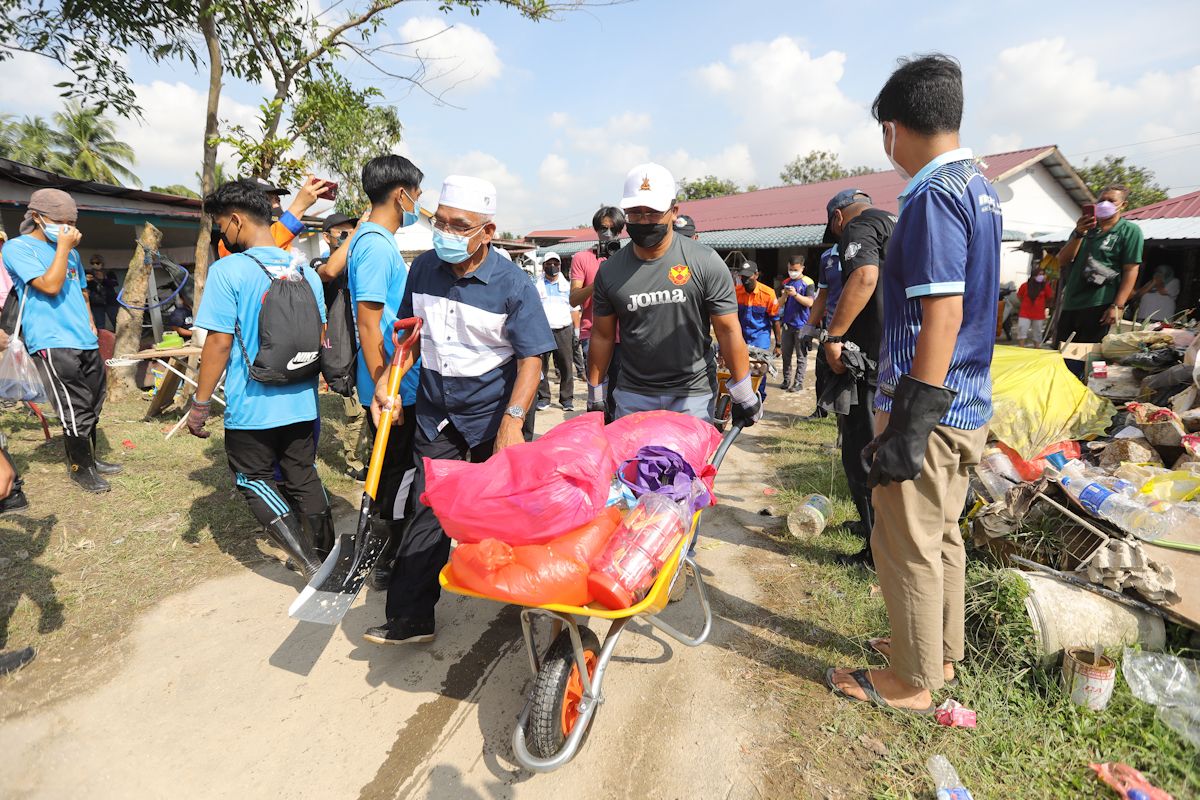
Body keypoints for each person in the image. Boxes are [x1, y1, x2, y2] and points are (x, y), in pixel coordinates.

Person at [827, 54, 1001, 714]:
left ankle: (911, 678)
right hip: (968, 399)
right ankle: (940, 654)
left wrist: (908, 423)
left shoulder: (930, 196)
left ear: (893, 129)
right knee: (943, 535)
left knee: (905, 544)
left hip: (928, 403)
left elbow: (944, 312)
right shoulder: (979, 188)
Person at [364, 175, 554, 645]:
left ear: (487, 231)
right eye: (441, 222)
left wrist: (513, 423)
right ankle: (410, 619)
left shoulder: (513, 284)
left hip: (496, 412)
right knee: (428, 504)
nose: (446, 233)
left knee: (506, 508)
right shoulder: (423, 268)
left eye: (460, 225)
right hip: (436, 410)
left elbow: (533, 357)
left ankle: (526, 596)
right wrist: (387, 380)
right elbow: (408, 333)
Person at [185, 179, 331, 577]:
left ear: (235, 220)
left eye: (220, 226)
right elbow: (320, 335)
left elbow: (217, 344)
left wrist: (200, 404)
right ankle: (328, 555)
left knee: (253, 478)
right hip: (301, 399)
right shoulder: (305, 270)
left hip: (254, 404)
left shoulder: (229, 270)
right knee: (303, 474)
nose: (221, 234)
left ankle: (307, 560)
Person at [586, 163, 757, 425]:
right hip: (633, 396)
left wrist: (744, 395)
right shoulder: (610, 272)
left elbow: (727, 331)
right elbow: (602, 335)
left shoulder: (705, 262)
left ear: (673, 211)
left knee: (685, 467)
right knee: (634, 467)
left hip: (692, 396)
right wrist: (596, 395)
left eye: (653, 213)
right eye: (635, 214)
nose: (643, 221)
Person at [4, 188, 120, 493]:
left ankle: (92, 460)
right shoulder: (18, 249)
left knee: (94, 400)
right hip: (50, 339)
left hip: (84, 337)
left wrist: (91, 324)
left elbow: (80, 290)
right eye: (61, 221)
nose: (68, 228)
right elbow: (51, 285)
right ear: (39, 218)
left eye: (72, 222)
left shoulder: (75, 254)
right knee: (74, 404)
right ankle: (80, 469)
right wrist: (65, 248)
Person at [345, 155, 425, 588]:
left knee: (394, 468)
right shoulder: (376, 245)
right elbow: (369, 321)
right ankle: (390, 556)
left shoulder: (369, 238)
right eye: (417, 194)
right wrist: (383, 384)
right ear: (401, 194)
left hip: (391, 378)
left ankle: (388, 548)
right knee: (398, 472)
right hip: (393, 383)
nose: (418, 203)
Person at [820, 188, 893, 564]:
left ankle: (875, 549)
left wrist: (833, 336)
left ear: (837, 219)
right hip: (900, 362)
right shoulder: (896, 223)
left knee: (861, 452)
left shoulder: (858, 226)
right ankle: (876, 526)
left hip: (869, 364)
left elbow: (864, 276)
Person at [1055, 184, 1144, 344]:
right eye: (1101, 200)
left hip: (1100, 304)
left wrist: (1118, 306)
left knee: (1087, 357)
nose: (1105, 204)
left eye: (1111, 200)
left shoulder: (1130, 231)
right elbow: (1063, 260)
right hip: (1071, 302)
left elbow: (1131, 269)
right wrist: (1079, 233)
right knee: (1061, 354)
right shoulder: (1085, 228)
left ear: (1123, 205)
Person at [570, 206, 626, 422]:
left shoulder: (629, 257)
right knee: (597, 398)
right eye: (603, 228)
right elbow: (574, 299)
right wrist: (600, 281)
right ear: (596, 229)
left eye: (614, 229)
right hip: (592, 334)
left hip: (625, 336)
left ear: (621, 231)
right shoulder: (582, 258)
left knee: (621, 395)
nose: (608, 234)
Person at [215, 176, 331, 259]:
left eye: (277, 200)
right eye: (269, 200)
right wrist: (299, 205)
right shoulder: (229, 243)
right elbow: (263, 247)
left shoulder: (285, 239)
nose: (276, 206)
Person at [734, 260, 781, 400]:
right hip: (741, 336)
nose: (745, 280)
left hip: (760, 337)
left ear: (756, 275)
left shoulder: (768, 294)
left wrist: (778, 344)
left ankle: (759, 397)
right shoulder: (736, 293)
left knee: (759, 369)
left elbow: (775, 320)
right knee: (740, 368)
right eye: (742, 277)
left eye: (748, 276)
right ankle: (743, 398)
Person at [536, 252, 576, 411]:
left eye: (555, 264)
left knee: (566, 365)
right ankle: (544, 398)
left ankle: (566, 399)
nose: (552, 267)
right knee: (541, 367)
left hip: (564, 329)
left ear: (560, 266)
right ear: (543, 265)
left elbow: (574, 309)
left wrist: (577, 331)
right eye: (548, 264)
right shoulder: (536, 285)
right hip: (543, 330)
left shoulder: (568, 286)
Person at [779, 255, 815, 392]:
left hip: (802, 325)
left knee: (801, 356)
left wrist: (795, 295)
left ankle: (798, 382)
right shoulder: (786, 282)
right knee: (786, 354)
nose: (792, 272)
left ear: (802, 268)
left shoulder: (808, 282)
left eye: (795, 269)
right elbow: (779, 304)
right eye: (790, 269)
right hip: (788, 324)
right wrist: (784, 295)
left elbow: (810, 302)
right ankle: (786, 380)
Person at [1015, 266, 1052, 347]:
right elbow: (1019, 296)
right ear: (1034, 275)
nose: (1042, 276)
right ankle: (1021, 349)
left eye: (1043, 274)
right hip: (1025, 313)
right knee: (1022, 330)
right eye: (1039, 274)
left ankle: (1037, 348)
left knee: (1037, 333)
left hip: (1038, 314)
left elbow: (1049, 296)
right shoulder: (1025, 285)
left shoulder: (1045, 286)